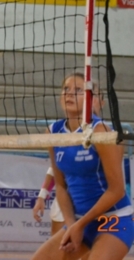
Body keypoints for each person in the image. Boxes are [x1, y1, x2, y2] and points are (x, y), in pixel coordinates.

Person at [31, 72, 134, 260]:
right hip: (79, 221)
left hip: (114, 218)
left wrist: (79, 225)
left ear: (90, 99)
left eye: (78, 90)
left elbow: (117, 190)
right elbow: (61, 185)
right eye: (66, 89)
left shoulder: (100, 131)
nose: (70, 93)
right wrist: (72, 225)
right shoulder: (53, 131)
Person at [32, 85, 105, 236]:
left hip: (95, 199)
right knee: (60, 243)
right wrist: (42, 196)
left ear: (101, 103)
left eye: (95, 96)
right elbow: (55, 169)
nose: (91, 99)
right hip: (66, 198)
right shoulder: (59, 130)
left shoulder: (104, 132)